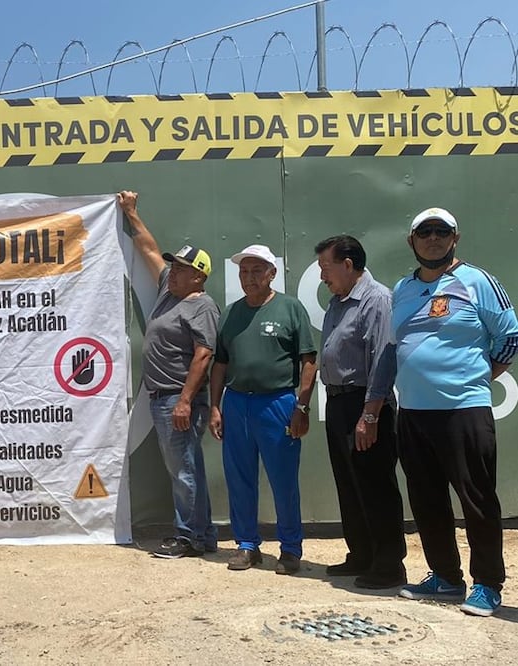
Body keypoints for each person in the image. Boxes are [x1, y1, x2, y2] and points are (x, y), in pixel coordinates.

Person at [390, 207, 518, 617]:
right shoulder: (402, 289)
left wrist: (480, 374)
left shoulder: (477, 281)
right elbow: (397, 345)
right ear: (412, 241)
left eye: (441, 231)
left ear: (455, 238)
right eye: (424, 232)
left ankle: (487, 585)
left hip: (464, 410)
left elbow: (510, 336)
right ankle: (445, 576)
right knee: (426, 499)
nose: (433, 238)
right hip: (412, 412)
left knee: (477, 498)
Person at [118, 191, 219, 559]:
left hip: (179, 398)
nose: (172, 271)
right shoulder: (168, 291)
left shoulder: (202, 306)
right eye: (173, 267)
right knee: (186, 468)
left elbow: (204, 355)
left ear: (199, 276)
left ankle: (188, 537)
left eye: (180, 269)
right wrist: (132, 213)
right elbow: (148, 249)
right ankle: (202, 536)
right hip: (166, 397)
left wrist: (186, 401)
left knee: (183, 472)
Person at [208, 244, 317, 575]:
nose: (249, 277)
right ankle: (247, 545)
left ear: (272, 274)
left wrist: (302, 405)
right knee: (240, 478)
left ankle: (290, 548)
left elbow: (309, 360)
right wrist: (215, 406)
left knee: (283, 480)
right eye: (244, 271)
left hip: (278, 403)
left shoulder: (290, 308)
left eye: (257, 271)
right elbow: (220, 365)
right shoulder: (230, 313)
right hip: (238, 402)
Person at [315, 235, 405, 589]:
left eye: (326, 266)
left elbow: (383, 359)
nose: (323, 275)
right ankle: (361, 554)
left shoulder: (377, 299)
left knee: (375, 484)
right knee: (349, 483)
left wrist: (370, 415)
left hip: (366, 403)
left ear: (348, 264)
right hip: (338, 402)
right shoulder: (338, 302)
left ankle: (388, 565)